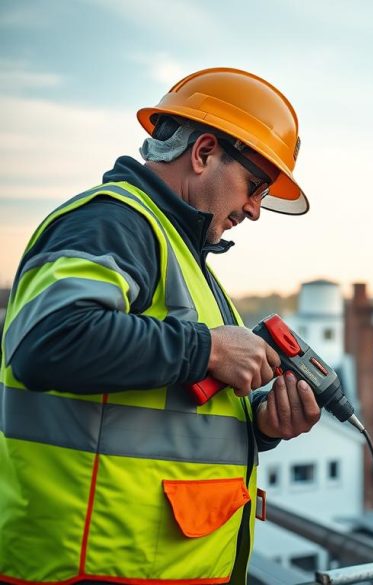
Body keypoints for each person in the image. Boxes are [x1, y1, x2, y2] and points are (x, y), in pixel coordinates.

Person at [0, 68, 322, 585]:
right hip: (90, 568)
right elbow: (48, 340)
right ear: (203, 152)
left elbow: (159, 415)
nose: (256, 210)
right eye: (255, 185)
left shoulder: (185, 258)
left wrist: (261, 426)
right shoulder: (114, 223)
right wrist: (210, 351)